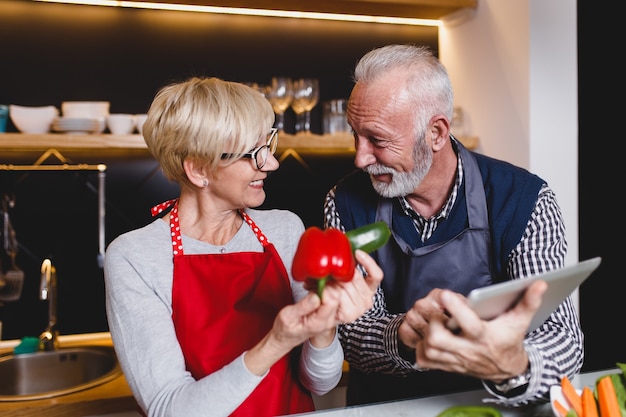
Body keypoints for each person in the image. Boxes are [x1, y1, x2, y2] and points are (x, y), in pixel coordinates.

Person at [104, 76, 383, 417]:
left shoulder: (285, 229)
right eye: (253, 154)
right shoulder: (136, 257)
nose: (271, 163)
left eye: (269, 145)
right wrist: (275, 342)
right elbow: (169, 410)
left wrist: (325, 324)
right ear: (198, 170)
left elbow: (320, 383)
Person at [323, 44, 583, 407]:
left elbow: (561, 340)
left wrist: (513, 366)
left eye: (377, 140)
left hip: (490, 407)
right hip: (386, 408)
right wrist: (403, 335)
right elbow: (352, 335)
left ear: (436, 133)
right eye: (355, 134)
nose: (360, 157)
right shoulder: (346, 202)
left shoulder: (523, 199)